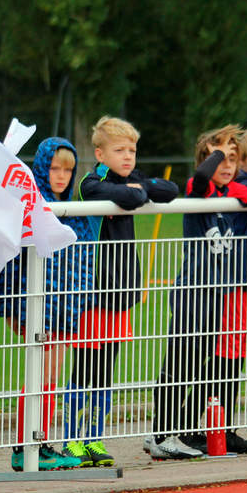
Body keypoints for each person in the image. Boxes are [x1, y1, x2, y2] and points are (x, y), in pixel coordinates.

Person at [147, 126, 247, 459]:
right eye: (218, 158)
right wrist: (218, 150)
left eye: (233, 159)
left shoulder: (234, 189)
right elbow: (203, 177)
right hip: (194, 291)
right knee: (179, 365)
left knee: (203, 364)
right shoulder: (199, 186)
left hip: (220, 294)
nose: (225, 165)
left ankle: (190, 432)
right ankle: (160, 435)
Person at [69, 116, 179, 464]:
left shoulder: (133, 178)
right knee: (84, 369)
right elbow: (123, 198)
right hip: (93, 291)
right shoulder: (91, 182)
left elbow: (169, 190)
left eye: (132, 150)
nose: (128, 156)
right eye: (119, 150)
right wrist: (135, 191)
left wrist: (139, 187)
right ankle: (73, 438)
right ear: (100, 154)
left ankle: (95, 439)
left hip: (122, 291)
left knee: (105, 372)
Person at [0, 136, 86, 469]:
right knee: (40, 374)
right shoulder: (30, 207)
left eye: (68, 170)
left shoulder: (73, 210)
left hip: (65, 307)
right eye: (54, 167)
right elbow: (10, 263)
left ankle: (40, 441)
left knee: (52, 374)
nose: (61, 175)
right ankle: (27, 446)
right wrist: (9, 307)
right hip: (36, 307)